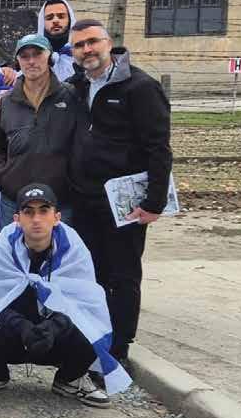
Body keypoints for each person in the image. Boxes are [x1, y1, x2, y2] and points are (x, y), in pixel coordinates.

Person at [66, 19, 172, 363]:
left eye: (92, 42)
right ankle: (95, 338)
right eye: (79, 45)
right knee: (92, 272)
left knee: (122, 274)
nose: (87, 50)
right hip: (85, 198)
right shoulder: (77, 87)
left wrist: (154, 202)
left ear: (109, 43)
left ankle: (119, 348)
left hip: (124, 201)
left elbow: (158, 148)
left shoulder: (140, 88)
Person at [0, 183, 131, 406]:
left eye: (44, 211)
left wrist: (54, 326)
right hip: (15, 337)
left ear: (57, 217)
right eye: (28, 212)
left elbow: (84, 302)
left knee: (92, 331)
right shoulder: (3, 246)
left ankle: (69, 379)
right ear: (16, 219)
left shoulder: (73, 247)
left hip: (55, 338)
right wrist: (22, 326)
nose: (36, 219)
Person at [0, 33, 81, 227]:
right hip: (14, 202)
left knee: (60, 247)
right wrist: (2, 175)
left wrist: (71, 180)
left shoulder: (71, 95)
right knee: (14, 247)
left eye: (37, 54)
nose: (31, 61)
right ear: (18, 61)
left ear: (49, 56)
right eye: (24, 56)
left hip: (60, 202)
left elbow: (82, 142)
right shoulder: (7, 101)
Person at [38, 0, 79, 81]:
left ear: (70, 19)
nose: (55, 21)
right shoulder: (34, 57)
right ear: (43, 23)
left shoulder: (82, 53)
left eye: (61, 16)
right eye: (49, 18)